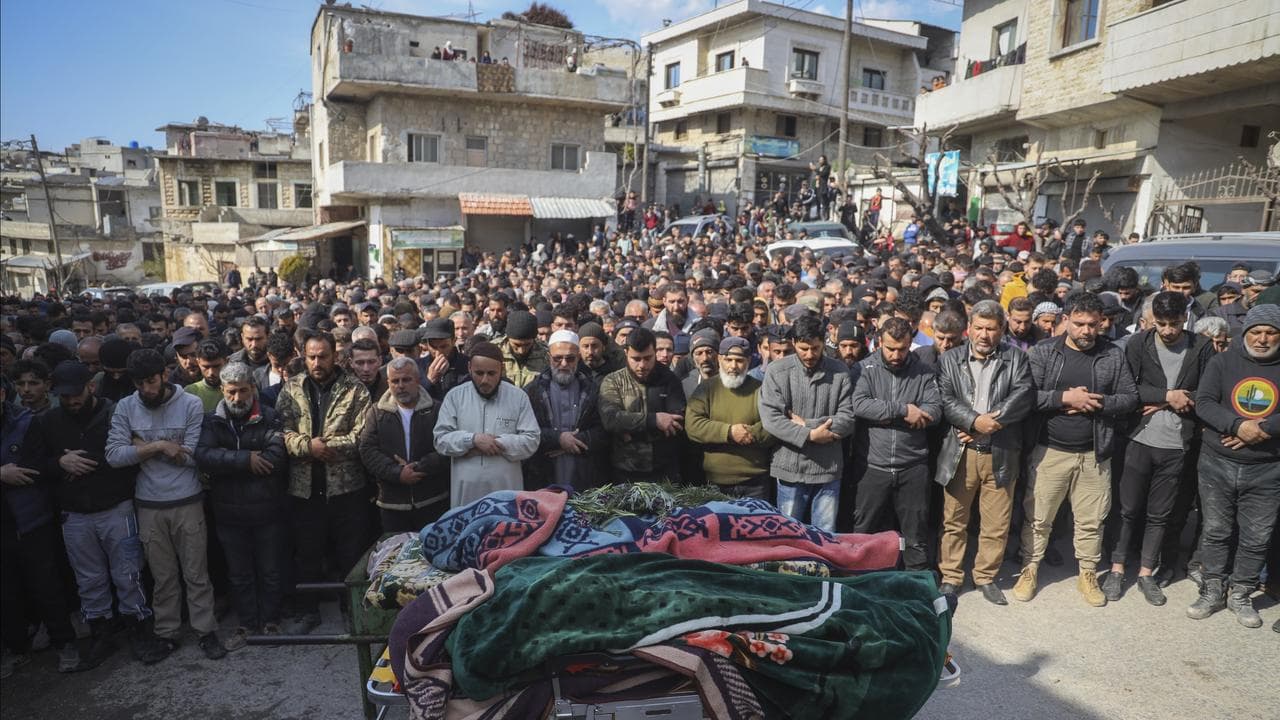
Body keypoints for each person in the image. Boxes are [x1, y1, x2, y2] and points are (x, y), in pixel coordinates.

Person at [1015, 293, 1138, 607]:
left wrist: (1098, 403)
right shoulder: (1043, 353)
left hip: (1095, 454)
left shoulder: (1112, 354)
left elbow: (1129, 398)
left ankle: (1087, 573)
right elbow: (1025, 397)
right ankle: (1029, 569)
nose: (1086, 331)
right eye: (1079, 324)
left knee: (1091, 519)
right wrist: (1064, 399)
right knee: (1038, 517)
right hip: (1050, 450)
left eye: (1093, 325)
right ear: (1064, 320)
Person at [105, 349, 228, 660]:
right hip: (148, 504)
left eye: (151, 381)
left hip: (187, 500)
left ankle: (205, 630)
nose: (147, 389)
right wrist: (160, 446)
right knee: (163, 577)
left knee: (196, 572)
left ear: (164, 374)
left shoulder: (190, 403)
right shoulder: (126, 407)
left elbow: (192, 458)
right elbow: (113, 456)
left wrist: (140, 446)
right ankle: (167, 632)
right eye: (140, 384)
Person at [1104, 292, 1214, 606]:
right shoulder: (1139, 344)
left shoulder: (1201, 347)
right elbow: (1128, 387)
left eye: (1174, 324)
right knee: (1127, 510)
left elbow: (1206, 392)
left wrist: (1172, 399)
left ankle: (1146, 572)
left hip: (1178, 444)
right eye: (1161, 323)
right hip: (1139, 439)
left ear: (1186, 319)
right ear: (1152, 320)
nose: (1167, 330)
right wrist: (1168, 396)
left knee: (1159, 514)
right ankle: (1117, 567)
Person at [1186, 304, 1280, 629]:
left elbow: (1266, 426)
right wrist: (1237, 426)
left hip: (1268, 468)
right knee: (1215, 531)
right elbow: (1204, 402)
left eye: (1271, 332)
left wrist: (1264, 430)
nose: (1263, 339)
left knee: (1256, 537)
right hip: (1218, 462)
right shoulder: (1223, 361)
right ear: (1246, 333)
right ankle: (1212, 589)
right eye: (1256, 332)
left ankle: (1240, 594)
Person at [934, 302, 1034, 604]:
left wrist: (990, 422)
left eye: (991, 329)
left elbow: (1023, 395)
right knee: (954, 520)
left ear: (1001, 330)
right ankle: (951, 577)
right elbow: (945, 397)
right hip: (961, 452)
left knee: (996, 523)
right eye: (979, 327)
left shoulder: (1015, 358)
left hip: (1001, 452)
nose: (984, 334)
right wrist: (973, 421)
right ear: (969, 328)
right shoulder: (951, 359)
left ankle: (986, 576)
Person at [275, 330, 372, 635]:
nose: (317, 362)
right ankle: (308, 610)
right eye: (311, 356)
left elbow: (362, 435)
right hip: (304, 487)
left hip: (345, 487)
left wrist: (326, 446)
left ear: (336, 356)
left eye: (323, 356)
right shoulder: (291, 389)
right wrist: (307, 446)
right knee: (307, 552)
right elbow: (280, 431)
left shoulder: (355, 390)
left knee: (350, 553)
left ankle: (351, 609)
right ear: (303, 356)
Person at [195, 363, 288, 647]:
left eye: (243, 391)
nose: (237, 398)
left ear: (253, 389)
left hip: (266, 510)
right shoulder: (212, 421)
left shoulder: (270, 417)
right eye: (231, 392)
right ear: (222, 391)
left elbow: (275, 458)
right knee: (239, 574)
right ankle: (247, 623)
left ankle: (271, 621)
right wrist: (246, 459)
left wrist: (229, 459)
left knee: (270, 570)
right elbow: (204, 455)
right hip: (228, 513)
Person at [1, 374, 81, 674]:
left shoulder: (25, 423)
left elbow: (32, 467)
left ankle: (65, 643)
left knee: (46, 585)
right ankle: (15, 647)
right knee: (6, 592)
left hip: (31, 518)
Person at [850, 317, 942, 570]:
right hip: (872, 465)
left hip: (912, 466)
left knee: (916, 536)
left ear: (910, 343)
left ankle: (917, 587)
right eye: (890, 348)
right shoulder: (863, 369)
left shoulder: (924, 372)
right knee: (864, 533)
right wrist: (903, 411)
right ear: (879, 342)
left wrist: (884, 416)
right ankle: (861, 583)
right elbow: (860, 405)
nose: (896, 354)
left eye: (902, 349)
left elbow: (933, 410)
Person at [758, 316, 857, 532]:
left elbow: (847, 419)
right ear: (794, 343)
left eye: (815, 348)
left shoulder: (840, 371)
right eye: (804, 348)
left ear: (824, 342)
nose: (810, 354)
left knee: (825, 535)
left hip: (828, 470)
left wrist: (806, 424)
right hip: (789, 469)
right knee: (789, 535)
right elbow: (771, 419)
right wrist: (811, 435)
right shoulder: (778, 371)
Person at [433, 342, 539, 507]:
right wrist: (472, 440)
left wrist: (495, 443)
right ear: (469, 368)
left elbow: (532, 440)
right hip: (466, 496)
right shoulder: (455, 397)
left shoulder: (518, 397)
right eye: (479, 373)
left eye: (491, 373)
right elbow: (440, 440)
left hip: (506, 495)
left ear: (501, 369)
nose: (485, 380)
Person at [358, 357, 450, 532]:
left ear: (417, 380)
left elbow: (447, 447)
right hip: (393, 505)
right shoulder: (377, 413)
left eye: (406, 380)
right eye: (395, 381)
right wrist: (397, 473)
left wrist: (421, 467)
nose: (400, 386)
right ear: (388, 383)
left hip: (432, 501)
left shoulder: (437, 410)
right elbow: (367, 450)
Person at [685, 337, 774, 499]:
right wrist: (729, 432)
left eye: (739, 360)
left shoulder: (761, 389)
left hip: (755, 482)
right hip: (715, 481)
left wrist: (750, 433)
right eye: (728, 360)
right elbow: (693, 426)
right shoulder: (706, 389)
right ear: (719, 359)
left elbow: (773, 425)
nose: (733, 366)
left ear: (748, 361)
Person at [598, 328, 687, 483]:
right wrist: (654, 420)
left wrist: (629, 429)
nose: (642, 365)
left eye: (648, 358)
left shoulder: (669, 379)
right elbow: (611, 420)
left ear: (655, 353)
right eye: (636, 359)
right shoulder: (614, 381)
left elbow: (676, 422)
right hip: (625, 470)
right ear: (626, 353)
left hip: (664, 470)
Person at [523, 330, 608, 491]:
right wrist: (558, 439)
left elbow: (603, 431)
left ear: (578, 357)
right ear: (549, 358)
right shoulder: (532, 391)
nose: (563, 364)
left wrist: (575, 441)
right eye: (557, 358)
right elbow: (526, 431)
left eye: (570, 359)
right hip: (543, 473)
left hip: (583, 473)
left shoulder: (592, 390)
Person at [418, 318, 470, 402]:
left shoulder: (468, 365)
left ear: (454, 341)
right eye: (433, 347)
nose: (438, 353)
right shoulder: (418, 366)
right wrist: (430, 380)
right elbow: (414, 398)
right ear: (427, 344)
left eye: (443, 347)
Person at [496, 310, 548, 389]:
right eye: (517, 345)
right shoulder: (494, 351)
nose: (521, 351)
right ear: (508, 338)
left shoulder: (546, 354)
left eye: (527, 345)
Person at [185, 337, 230, 412]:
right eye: (206, 367)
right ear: (198, 362)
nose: (211, 373)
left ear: (227, 361)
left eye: (216, 366)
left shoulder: (237, 390)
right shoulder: (190, 392)